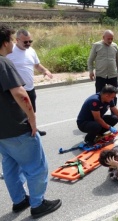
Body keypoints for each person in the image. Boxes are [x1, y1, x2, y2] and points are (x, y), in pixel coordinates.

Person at [0, 25, 61, 218]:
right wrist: (33, 121)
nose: (11, 44)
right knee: (36, 167)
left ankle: (19, 201)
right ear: (5, 42)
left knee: (10, 167)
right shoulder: (4, 63)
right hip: (16, 127)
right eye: (10, 40)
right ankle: (38, 204)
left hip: (1, 132)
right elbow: (20, 94)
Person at [6, 29, 53, 136]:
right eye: (25, 42)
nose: (28, 44)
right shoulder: (9, 51)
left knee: (32, 111)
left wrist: (45, 70)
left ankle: (34, 129)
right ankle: (21, 133)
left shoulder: (31, 51)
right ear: (17, 40)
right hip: (16, 89)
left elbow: (36, 65)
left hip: (30, 88)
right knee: (18, 113)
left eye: (30, 41)